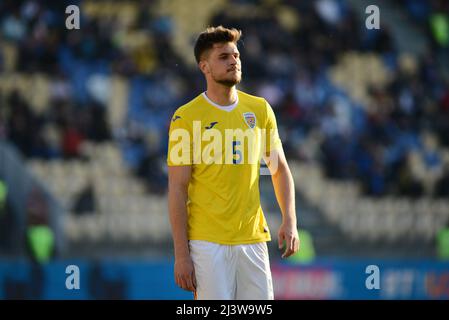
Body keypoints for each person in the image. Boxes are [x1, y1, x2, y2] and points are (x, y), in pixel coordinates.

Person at [167, 26, 299, 300]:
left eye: (236, 55)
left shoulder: (259, 110)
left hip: (252, 240)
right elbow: (178, 189)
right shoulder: (186, 118)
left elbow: (279, 169)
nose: (234, 61)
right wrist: (182, 255)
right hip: (207, 242)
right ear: (204, 66)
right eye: (224, 56)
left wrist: (290, 219)